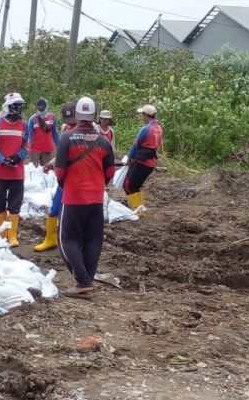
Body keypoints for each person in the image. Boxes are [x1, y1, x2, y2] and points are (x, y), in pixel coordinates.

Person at [54, 97, 116, 299]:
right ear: (95, 116)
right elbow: (110, 172)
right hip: (96, 199)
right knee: (93, 240)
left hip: (73, 197)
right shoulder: (104, 141)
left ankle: (82, 282)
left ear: (77, 115)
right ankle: (86, 280)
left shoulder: (66, 138)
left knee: (67, 239)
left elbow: (60, 171)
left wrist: (66, 185)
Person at [0, 93, 32, 248]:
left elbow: (27, 145)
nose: (19, 109)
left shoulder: (24, 125)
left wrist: (18, 157)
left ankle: (12, 235)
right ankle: (1, 234)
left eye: (20, 106)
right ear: (8, 107)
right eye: (16, 105)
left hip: (17, 172)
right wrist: (2, 159)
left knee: (15, 204)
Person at [34, 102, 78, 252]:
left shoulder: (89, 131)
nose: (70, 122)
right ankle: (50, 239)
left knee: (75, 211)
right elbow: (62, 152)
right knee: (55, 208)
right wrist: (52, 163)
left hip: (79, 178)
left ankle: (74, 241)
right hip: (65, 177)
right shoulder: (66, 129)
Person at [123, 104, 162, 215]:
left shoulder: (146, 129)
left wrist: (130, 158)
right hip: (151, 162)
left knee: (128, 185)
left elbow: (136, 145)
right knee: (135, 186)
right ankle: (140, 208)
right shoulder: (158, 127)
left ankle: (138, 209)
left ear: (146, 115)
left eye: (142, 115)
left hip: (141, 162)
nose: (142, 117)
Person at [28, 99, 57, 168]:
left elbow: (55, 133)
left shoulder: (52, 117)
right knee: (34, 171)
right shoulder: (32, 119)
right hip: (35, 149)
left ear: (46, 106)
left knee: (46, 170)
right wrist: (28, 149)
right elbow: (29, 135)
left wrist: (60, 145)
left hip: (46, 149)